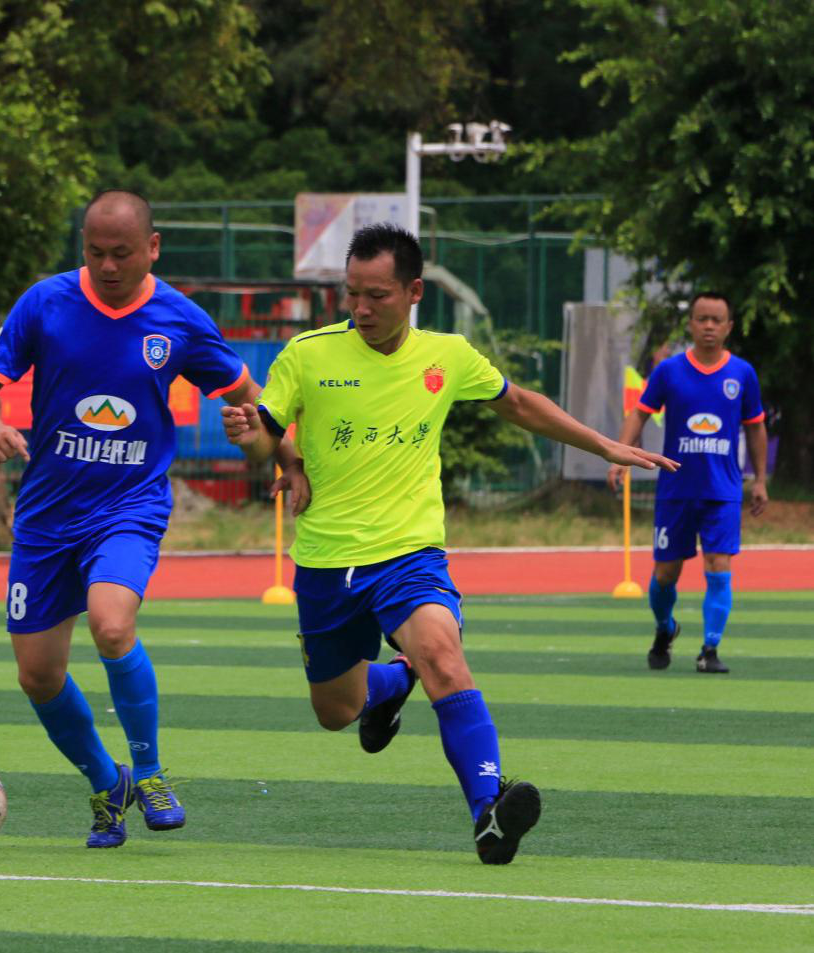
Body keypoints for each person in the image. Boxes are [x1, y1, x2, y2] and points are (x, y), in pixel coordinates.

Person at [222, 223, 676, 864]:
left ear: (414, 292)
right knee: (335, 710)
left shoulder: (449, 355)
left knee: (443, 654)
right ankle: (391, 682)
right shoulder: (307, 353)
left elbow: (519, 404)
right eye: (352, 293)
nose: (361, 308)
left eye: (377, 295)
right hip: (326, 560)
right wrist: (252, 439)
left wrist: (603, 444)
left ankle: (489, 812)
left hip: (410, 553)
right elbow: (266, 436)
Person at [0, 189, 306, 848]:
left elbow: (250, 396)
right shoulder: (45, 302)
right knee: (37, 674)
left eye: (121, 252)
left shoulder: (178, 318)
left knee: (112, 622)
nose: (107, 265)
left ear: (152, 247)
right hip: (46, 513)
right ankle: (107, 780)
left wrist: (285, 457)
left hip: (130, 505)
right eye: (95, 252)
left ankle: (149, 772)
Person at [607, 292, 767, 674]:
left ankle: (710, 649)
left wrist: (760, 480)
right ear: (691, 324)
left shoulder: (742, 373)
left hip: (722, 490)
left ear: (728, 327)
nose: (709, 326)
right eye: (702, 319)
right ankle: (665, 628)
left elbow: (756, 426)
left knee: (719, 564)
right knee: (666, 573)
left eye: (716, 320)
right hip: (675, 490)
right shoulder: (669, 371)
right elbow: (640, 413)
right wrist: (620, 454)